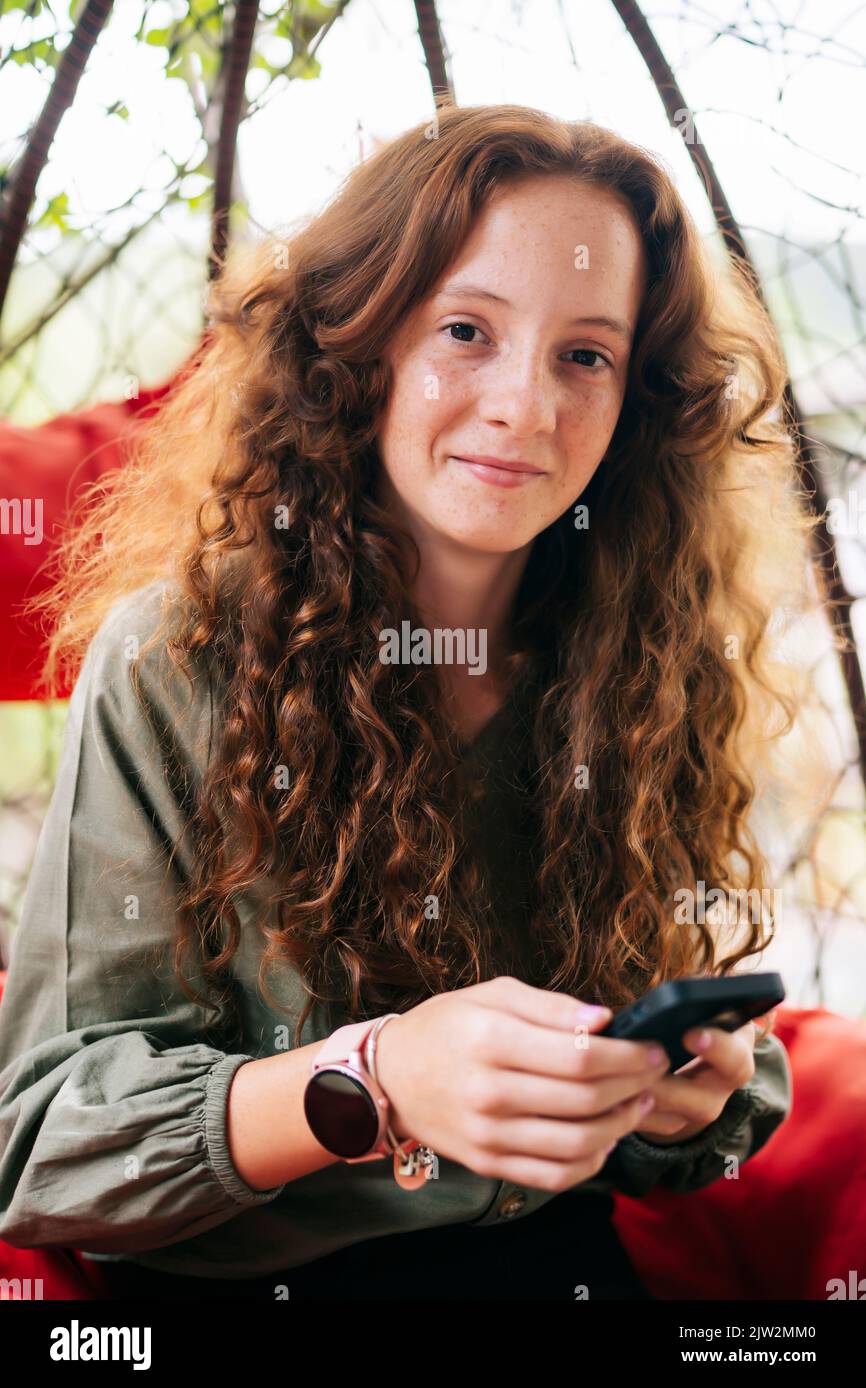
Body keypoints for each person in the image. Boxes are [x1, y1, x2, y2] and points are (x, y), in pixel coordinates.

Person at [0, 103, 813, 1301]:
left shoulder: (644, 665)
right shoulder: (175, 658)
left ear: (636, 395)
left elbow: (691, 1078)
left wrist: (683, 1095)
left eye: (583, 355)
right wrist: (372, 1081)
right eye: (466, 330)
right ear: (359, 348)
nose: (524, 407)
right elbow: (46, 1146)